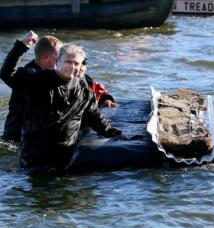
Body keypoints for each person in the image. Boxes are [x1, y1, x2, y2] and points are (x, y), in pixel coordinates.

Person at [0, 31, 125, 170]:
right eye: (68, 62)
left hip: (64, 154)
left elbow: (94, 115)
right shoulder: (36, 79)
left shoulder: (82, 85)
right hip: (36, 156)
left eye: (76, 63)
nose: (72, 67)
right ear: (58, 62)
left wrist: (114, 133)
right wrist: (22, 45)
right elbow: (7, 74)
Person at [2, 35, 63, 143]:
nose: (62, 60)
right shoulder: (28, 76)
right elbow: (6, 73)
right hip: (16, 139)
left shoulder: (47, 74)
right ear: (46, 57)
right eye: (59, 56)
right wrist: (22, 45)